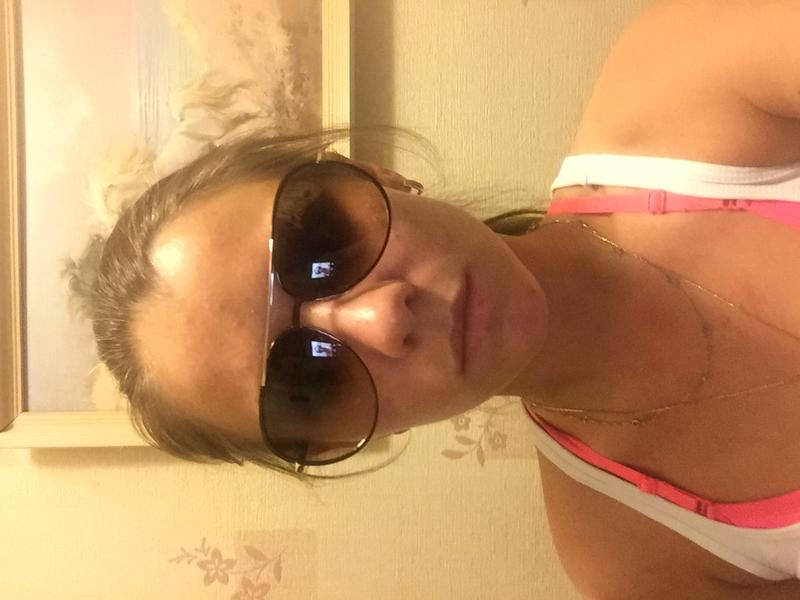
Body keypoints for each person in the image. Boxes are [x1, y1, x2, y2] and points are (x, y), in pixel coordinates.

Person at [76, 1, 800, 597]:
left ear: (370, 174)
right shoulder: (637, 562)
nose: (380, 317)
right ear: (337, 438)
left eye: (318, 239)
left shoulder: (683, 84)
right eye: (307, 382)